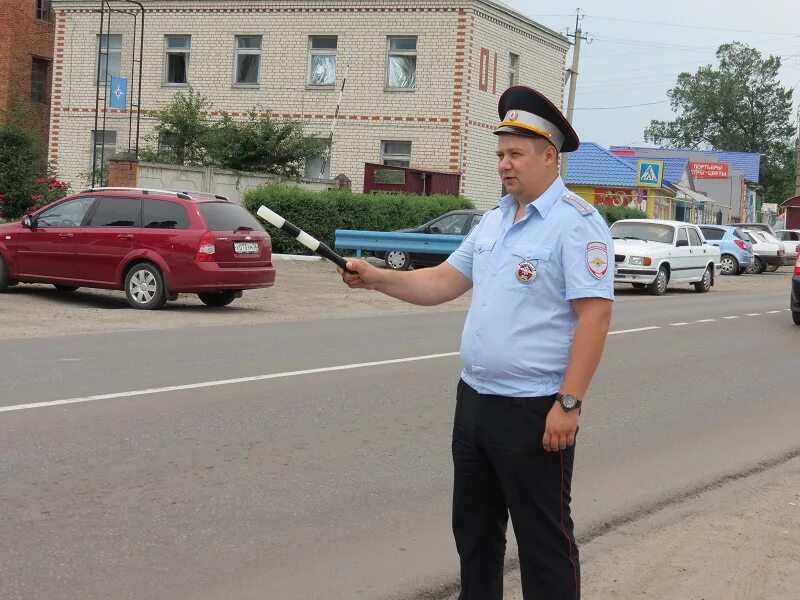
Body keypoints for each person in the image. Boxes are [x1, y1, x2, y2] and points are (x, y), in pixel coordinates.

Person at [340, 86, 614, 599]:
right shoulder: (493, 220)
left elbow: (595, 316)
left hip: (536, 410)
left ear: (550, 156)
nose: (504, 165)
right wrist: (377, 277)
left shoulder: (576, 225)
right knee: (475, 535)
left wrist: (569, 402)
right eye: (500, 155)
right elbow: (443, 280)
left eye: (515, 154)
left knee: (543, 543)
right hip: (475, 404)